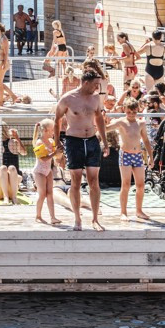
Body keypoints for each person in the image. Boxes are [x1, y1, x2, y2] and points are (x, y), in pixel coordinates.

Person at [54, 68, 109, 231]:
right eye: (95, 84)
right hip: (74, 141)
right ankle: (77, 219)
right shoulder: (68, 98)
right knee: (76, 181)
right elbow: (56, 119)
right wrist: (57, 142)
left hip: (92, 140)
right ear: (86, 83)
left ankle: (94, 219)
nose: (97, 88)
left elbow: (99, 118)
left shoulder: (95, 98)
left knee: (94, 181)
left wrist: (104, 141)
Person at [110, 98, 153, 221]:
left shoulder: (141, 123)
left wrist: (150, 156)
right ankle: (123, 212)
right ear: (125, 110)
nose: (131, 114)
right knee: (126, 184)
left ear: (137, 110)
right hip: (126, 155)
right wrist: (101, 120)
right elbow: (106, 128)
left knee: (140, 184)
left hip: (138, 155)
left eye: (134, 112)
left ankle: (139, 211)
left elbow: (145, 140)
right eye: (129, 112)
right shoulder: (121, 122)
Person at [31, 118, 61, 225]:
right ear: (45, 130)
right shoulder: (39, 142)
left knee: (50, 193)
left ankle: (53, 217)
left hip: (48, 170)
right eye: (52, 130)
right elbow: (42, 159)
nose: (54, 132)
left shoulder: (52, 141)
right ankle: (38, 216)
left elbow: (56, 156)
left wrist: (59, 152)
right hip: (39, 171)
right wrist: (54, 153)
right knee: (42, 194)